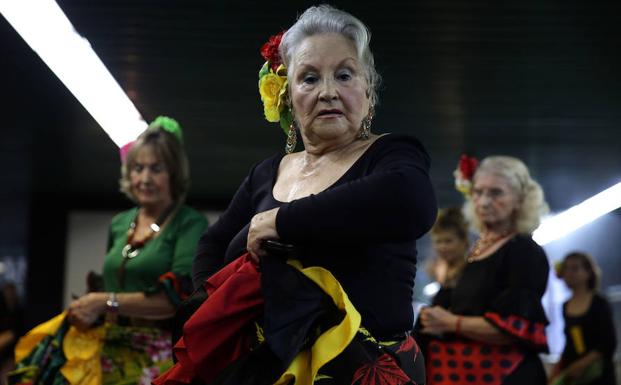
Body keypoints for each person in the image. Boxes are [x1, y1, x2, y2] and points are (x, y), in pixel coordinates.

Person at [158, 5, 437, 385]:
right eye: (308, 79)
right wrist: (220, 313)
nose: (327, 92)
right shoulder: (266, 173)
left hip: (365, 371)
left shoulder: (391, 156)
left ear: (368, 90)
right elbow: (213, 243)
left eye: (344, 75)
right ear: (288, 96)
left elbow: (413, 202)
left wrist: (279, 221)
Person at [11, 117, 208, 385]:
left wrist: (103, 301)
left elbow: (179, 300)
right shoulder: (120, 223)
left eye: (156, 168)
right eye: (138, 168)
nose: (145, 178)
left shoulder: (189, 222)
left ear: (173, 174)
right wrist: (89, 309)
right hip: (108, 350)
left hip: (160, 356)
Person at [419, 156, 550, 385]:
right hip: (467, 372)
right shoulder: (479, 248)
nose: (484, 202)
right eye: (478, 192)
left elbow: (514, 328)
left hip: (507, 376)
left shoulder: (524, 251)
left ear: (520, 200)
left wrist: (450, 322)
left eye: (496, 193)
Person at [549, 252, 617, 385]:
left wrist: (580, 365)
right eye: (566, 269)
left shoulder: (599, 303)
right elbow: (569, 342)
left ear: (588, 272)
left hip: (598, 374)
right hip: (574, 373)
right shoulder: (565, 306)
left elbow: (607, 343)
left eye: (574, 268)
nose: (569, 273)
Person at [425, 207, 469, 304]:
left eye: (448, 241)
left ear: (464, 242)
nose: (442, 247)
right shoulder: (436, 272)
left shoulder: (470, 272)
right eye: (438, 241)